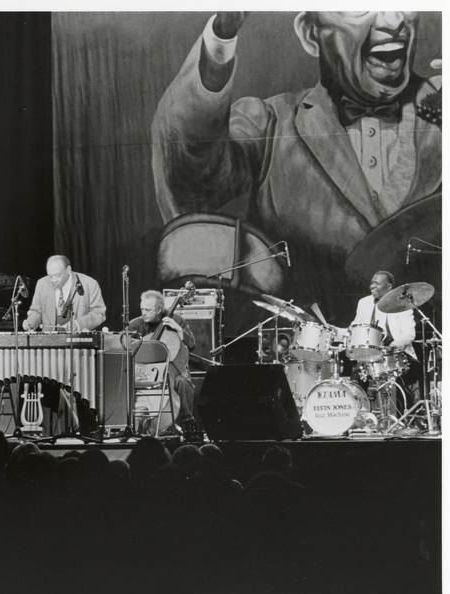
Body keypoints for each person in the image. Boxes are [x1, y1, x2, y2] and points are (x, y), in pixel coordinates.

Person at [152, 12, 441, 323]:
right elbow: (192, 180)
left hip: (426, 338)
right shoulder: (268, 122)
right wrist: (219, 44)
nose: (394, 19)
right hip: (310, 344)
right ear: (310, 33)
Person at [334, 271, 421, 408]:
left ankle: (400, 417)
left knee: (397, 379)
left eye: (377, 283)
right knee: (357, 375)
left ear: (389, 286)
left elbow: (409, 333)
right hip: (369, 356)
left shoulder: (402, 304)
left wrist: (394, 346)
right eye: (371, 282)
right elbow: (354, 330)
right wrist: (337, 332)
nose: (372, 286)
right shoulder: (364, 303)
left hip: (397, 355)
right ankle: (360, 414)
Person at [128, 290, 197, 433]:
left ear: (159, 309)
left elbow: (191, 345)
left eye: (148, 310)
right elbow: (126, 347)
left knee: (184, 383)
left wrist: (178, 329)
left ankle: (188, 424)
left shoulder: (176, 320)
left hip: (174, 370)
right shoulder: (136, 324)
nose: (144, 313)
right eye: (142, 309)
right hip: (145, 372)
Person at [22, 255, 106, 332]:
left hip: (78, 341)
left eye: (57, 275)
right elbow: (37, 311)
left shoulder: (89, 284)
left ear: (68, 270)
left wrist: (78, 324)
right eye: (50, 276)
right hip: (50, 341)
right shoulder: (42, 283)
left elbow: (99, 313)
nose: (54, 280)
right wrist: (31, 323)